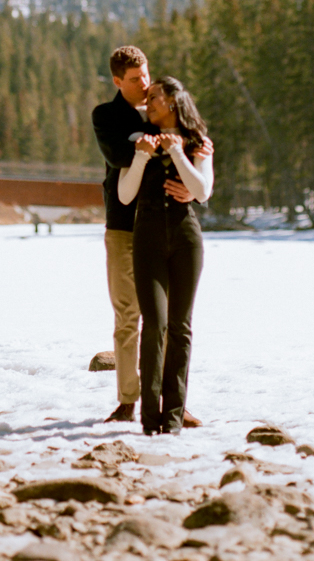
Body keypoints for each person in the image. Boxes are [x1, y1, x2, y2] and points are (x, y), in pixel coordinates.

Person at [91, 47, 206, 426]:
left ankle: (173, 402)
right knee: (130, 316)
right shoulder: (107, 116)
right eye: (136, 79)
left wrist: (191, 157)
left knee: (173, 320)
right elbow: (118, 155)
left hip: (169, 226)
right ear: (117, 81)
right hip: (125, 226)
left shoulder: (161, 114)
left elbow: (192, 151)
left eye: (147, 77)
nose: (144, 85)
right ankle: (129, 399)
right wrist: (147, 147)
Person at [117, 77, 213, 435]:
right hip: (148, 238)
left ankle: (173, 417)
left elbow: (203, 191)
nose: (148, 102)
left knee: (180, 327)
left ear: (174, 101)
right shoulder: (138, 141)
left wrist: (176, 152)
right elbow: (126, 195)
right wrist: (142, 155)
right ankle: (149, 418)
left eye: (155, 97)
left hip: (186, 238)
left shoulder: (198, 144)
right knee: (154, 325)